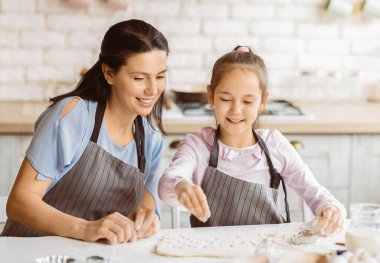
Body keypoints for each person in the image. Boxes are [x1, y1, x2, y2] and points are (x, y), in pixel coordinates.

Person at [1, 19, 169, 244]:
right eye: (139, 78)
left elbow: (147, 203)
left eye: (160, 76)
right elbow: (19, 202)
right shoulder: (73, 116)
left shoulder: (150, 138)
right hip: (30, 249)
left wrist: (147, 220)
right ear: (109, 74)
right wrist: (86, 229)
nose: (153, 89)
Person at [158, 46, 346, 235]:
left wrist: (331, 210)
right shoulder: (197, 146)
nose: (236, 110)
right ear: (211, 96)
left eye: (247, 101)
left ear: (263, 101)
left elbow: (317, 195)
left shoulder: (275, 145)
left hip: (268, 251)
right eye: (225, 99)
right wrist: (181, 186)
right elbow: (167, 185)